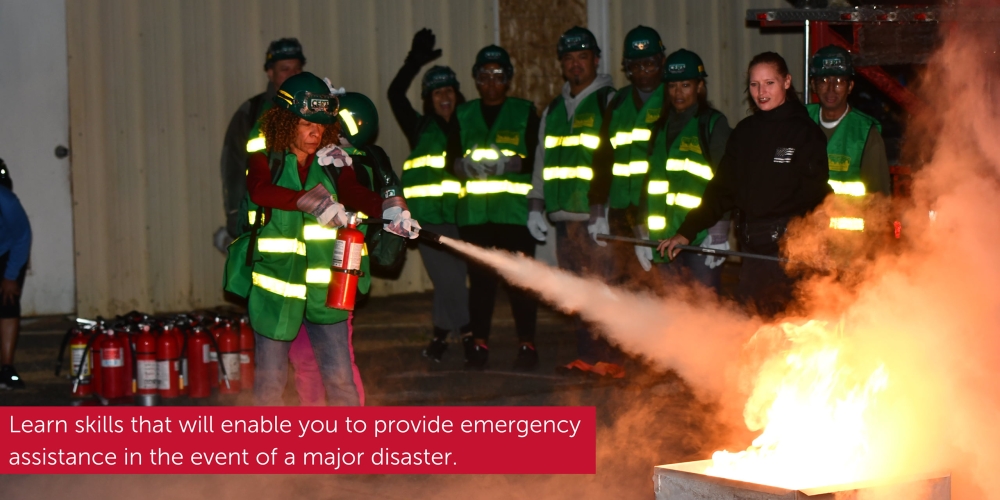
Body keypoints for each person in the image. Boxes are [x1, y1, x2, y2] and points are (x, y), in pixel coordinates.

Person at [237, 72, 419, 405]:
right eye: (307, 124)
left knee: (340, 380)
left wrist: (391, 211)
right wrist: (306, 199)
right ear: (285, 121)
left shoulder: (333, 159)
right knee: (270, 384)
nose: (315, 133)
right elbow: (259, 189)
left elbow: (353, 191)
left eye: (322, 126)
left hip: (328, 290)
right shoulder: (267, 156)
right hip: (277, 291)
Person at [659, 52, 830, 318]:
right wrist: (687, 231)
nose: (761, 92)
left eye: (769, 83)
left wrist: (815, 248)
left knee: (789, 333)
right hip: (751, 254)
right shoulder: (745, 132)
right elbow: (722, 189)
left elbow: (817, 196)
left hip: (789, 256)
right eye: (754, 84)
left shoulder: (805, 133)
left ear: (787, 82)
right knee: (750, 330)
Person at [217, 38, 327, 406]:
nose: (291, 74)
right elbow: (235, 169)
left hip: (312, 246)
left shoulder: (317, 113)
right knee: (271, 348)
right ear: (270, 72)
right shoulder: (252, 113)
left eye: (297, 68)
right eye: (284, 69)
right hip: (268, 244)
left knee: (310, 349)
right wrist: (235, 216)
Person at [525, 26, 623, 378]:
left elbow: (617, 159)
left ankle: (611, 356)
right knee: (579, 291)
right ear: (562, 64)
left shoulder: (609, 101)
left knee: (604, 288)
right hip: (564, 219)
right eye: (569, 58)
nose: (576, 64)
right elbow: (541, 160)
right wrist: (535, 204)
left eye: (583, 57)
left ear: (596, 59)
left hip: (597, 217)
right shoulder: (553, 110)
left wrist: (606, 210)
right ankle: (588, 354)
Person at [445, 45, 540, 371]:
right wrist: (462, 166)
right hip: (476, 217)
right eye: (484, 75)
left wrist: (515, 164)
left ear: (509, 79)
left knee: (521, 283)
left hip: (515, 216)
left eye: (498, 75)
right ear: (475, 79)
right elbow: (449, 161)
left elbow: (538, 159)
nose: (491, 82)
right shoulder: (463, 114)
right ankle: (479, 342)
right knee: (481, 284)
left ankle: (527, 343)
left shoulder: (525, 111)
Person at [387, 29, 472, 363]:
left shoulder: (469, 124)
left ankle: (439, 337)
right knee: (448, 278)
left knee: (451, 280)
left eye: (449, 90)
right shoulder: (419, 127)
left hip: (463, 216)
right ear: (428, 98)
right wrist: (412, 63)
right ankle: (467, 334)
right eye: (436, 92)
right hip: (427, 220)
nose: (444, 96)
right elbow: (395, 94)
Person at [641, 49, 732, 292]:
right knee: (673, 316)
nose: (678, 93)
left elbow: (727, 180)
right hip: (663, 239)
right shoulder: (659, 129)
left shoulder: (712, 124)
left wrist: (720, 230)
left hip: (701, 238)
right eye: (672, 86)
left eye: (685, 85)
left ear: (699, 86)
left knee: (704, 314)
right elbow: (651, 184)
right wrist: (642, 231)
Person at [589, 26, 667, 275]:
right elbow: (602, 157)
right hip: (621, 210)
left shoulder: (673, 99)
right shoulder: (619, 102)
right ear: (626, 67)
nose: (642, 72)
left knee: (661, 284)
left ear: (661, 62)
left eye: (649, 64)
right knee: (624, 282)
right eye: (635, 66)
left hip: (659, 210)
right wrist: (597, 207)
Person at [807, 45, 891, 234]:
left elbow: (880, 202)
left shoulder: (865, 134)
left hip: (850, 248)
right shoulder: (800, 121)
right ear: (813, 85)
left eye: (838, 81)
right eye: (823, 80)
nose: (830, 88)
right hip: (806, 242)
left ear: (850, 86)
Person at [0, 160, 31, 389]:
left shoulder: (6, 201)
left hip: (7, 251)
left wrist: (10, 276)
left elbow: (22, 236)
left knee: (7, 303)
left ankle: (7, 369)